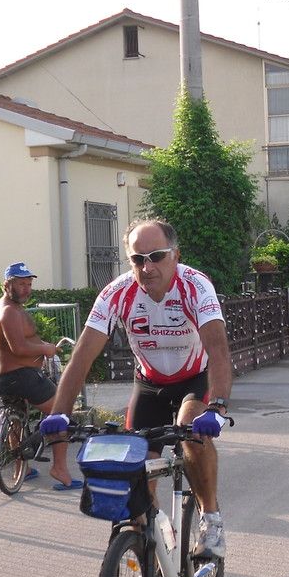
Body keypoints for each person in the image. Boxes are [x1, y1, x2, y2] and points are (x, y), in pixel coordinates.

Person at [43, 219, 234, 558]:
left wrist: (217, 407)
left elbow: (218, 351)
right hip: (148, 386)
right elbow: (82, 357)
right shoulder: (117, 292)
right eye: (137, 259)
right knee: (136, 489)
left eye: (156, 256)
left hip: (194, 379)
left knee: (192, 427)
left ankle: (211, 517)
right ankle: (152, 552)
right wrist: (59, 414)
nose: (147, 267)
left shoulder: (196, 286)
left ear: (175, 255)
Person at [0, 262, 77, 489]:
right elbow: (19, 348)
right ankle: (60, 469)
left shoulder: (7, 307)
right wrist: (45, 349)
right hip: (19, 376)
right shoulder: (9, 311)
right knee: (61, 412)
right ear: (8, 285)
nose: (26, 289)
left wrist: (42, 345)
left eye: (29, 284)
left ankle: (22, 469)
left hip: (2, 377)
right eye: (20, 284)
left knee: (16, 418)